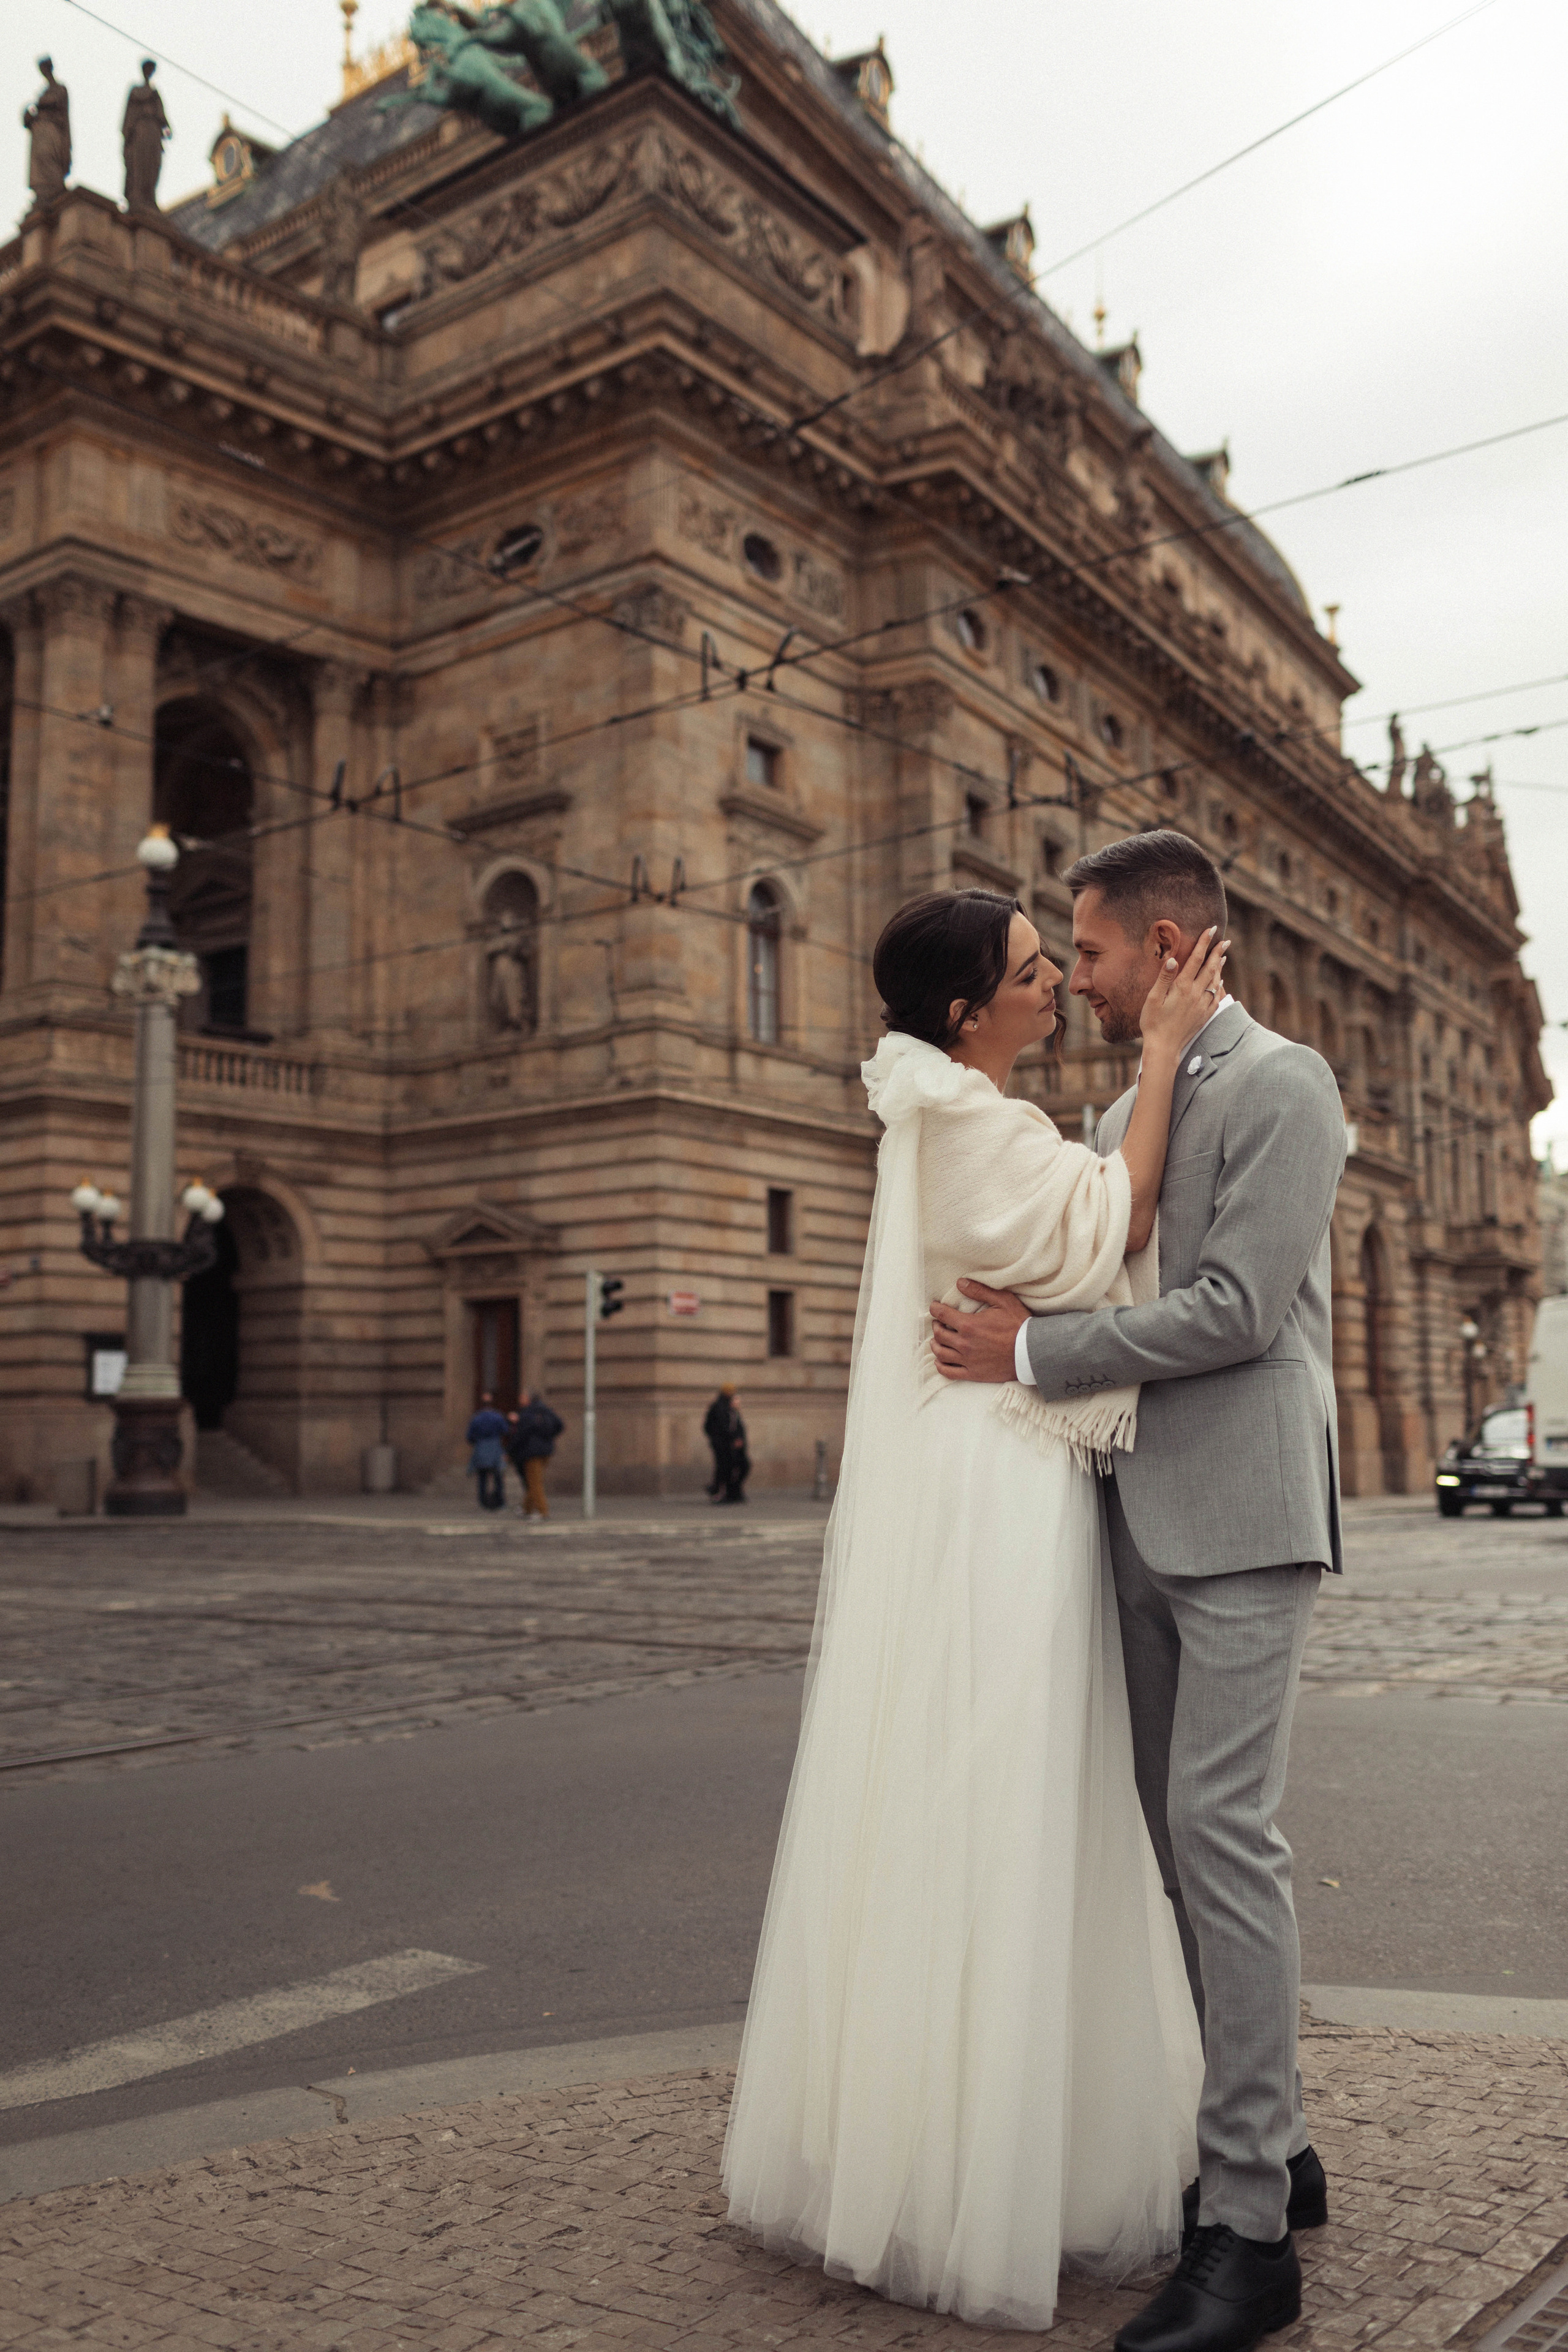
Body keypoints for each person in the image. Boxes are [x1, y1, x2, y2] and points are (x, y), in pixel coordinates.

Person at [723, 887, 1227, 2330]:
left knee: (953, 1791)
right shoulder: (972, 1119)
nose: (1056, 985)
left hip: (972, 1460)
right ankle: (988, 2168)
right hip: (998, 1481)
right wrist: (1162, 1057)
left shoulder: (943, 1113)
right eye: (1028, 971)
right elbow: (1107, 1222)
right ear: (965, 1010)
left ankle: (932, 2142)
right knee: (1009, 1793)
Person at [931, 830, 1346, 2352]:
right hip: (1126, 1515)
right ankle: (1274, 2147)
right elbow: (1107, 1265)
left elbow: (1237, 1311)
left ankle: (1244, 2235)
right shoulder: (1124, 1105)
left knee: (1221, 1845)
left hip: (1236, 1512)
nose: (1076, 978)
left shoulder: (1287, 1085)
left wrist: (1029, 1351)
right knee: (1166, 1857)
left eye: (1089, 953)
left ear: (1168, 947)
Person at [507, 1391, 564, 1519]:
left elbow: (521, 1434)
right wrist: (547, 1438)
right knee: (534, 1480)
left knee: (534, 1482)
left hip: (532, 1452)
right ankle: (527, 1509)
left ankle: (543, 1512)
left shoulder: (527, 1413)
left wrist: (510, 1451)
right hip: (546, 1451)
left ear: (528, 1399)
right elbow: (560, 1425)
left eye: (522, 1397)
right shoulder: (545, 1410)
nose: (520, 1399)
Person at [703, 1384, 748, 1504]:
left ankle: (732, 1491)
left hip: (732, 1445)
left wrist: (739, 1439)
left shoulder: (733, 1411)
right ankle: (721, 1492)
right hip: (723, 1444)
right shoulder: (719, 1407)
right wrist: (719, 1439)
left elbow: (739, 1428)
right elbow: (715, 1427)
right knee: (724, 1468)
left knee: (740, 1466)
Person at [465, 1392, 508, 1512]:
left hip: (481, 1449)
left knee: (482, 1478)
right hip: (495, 1449)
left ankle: (483, 1502)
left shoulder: (477, 1418)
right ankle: (500, 1501)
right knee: (498, 1477)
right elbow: (505, 1430)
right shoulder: (498, 1417)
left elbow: (469, 1437)